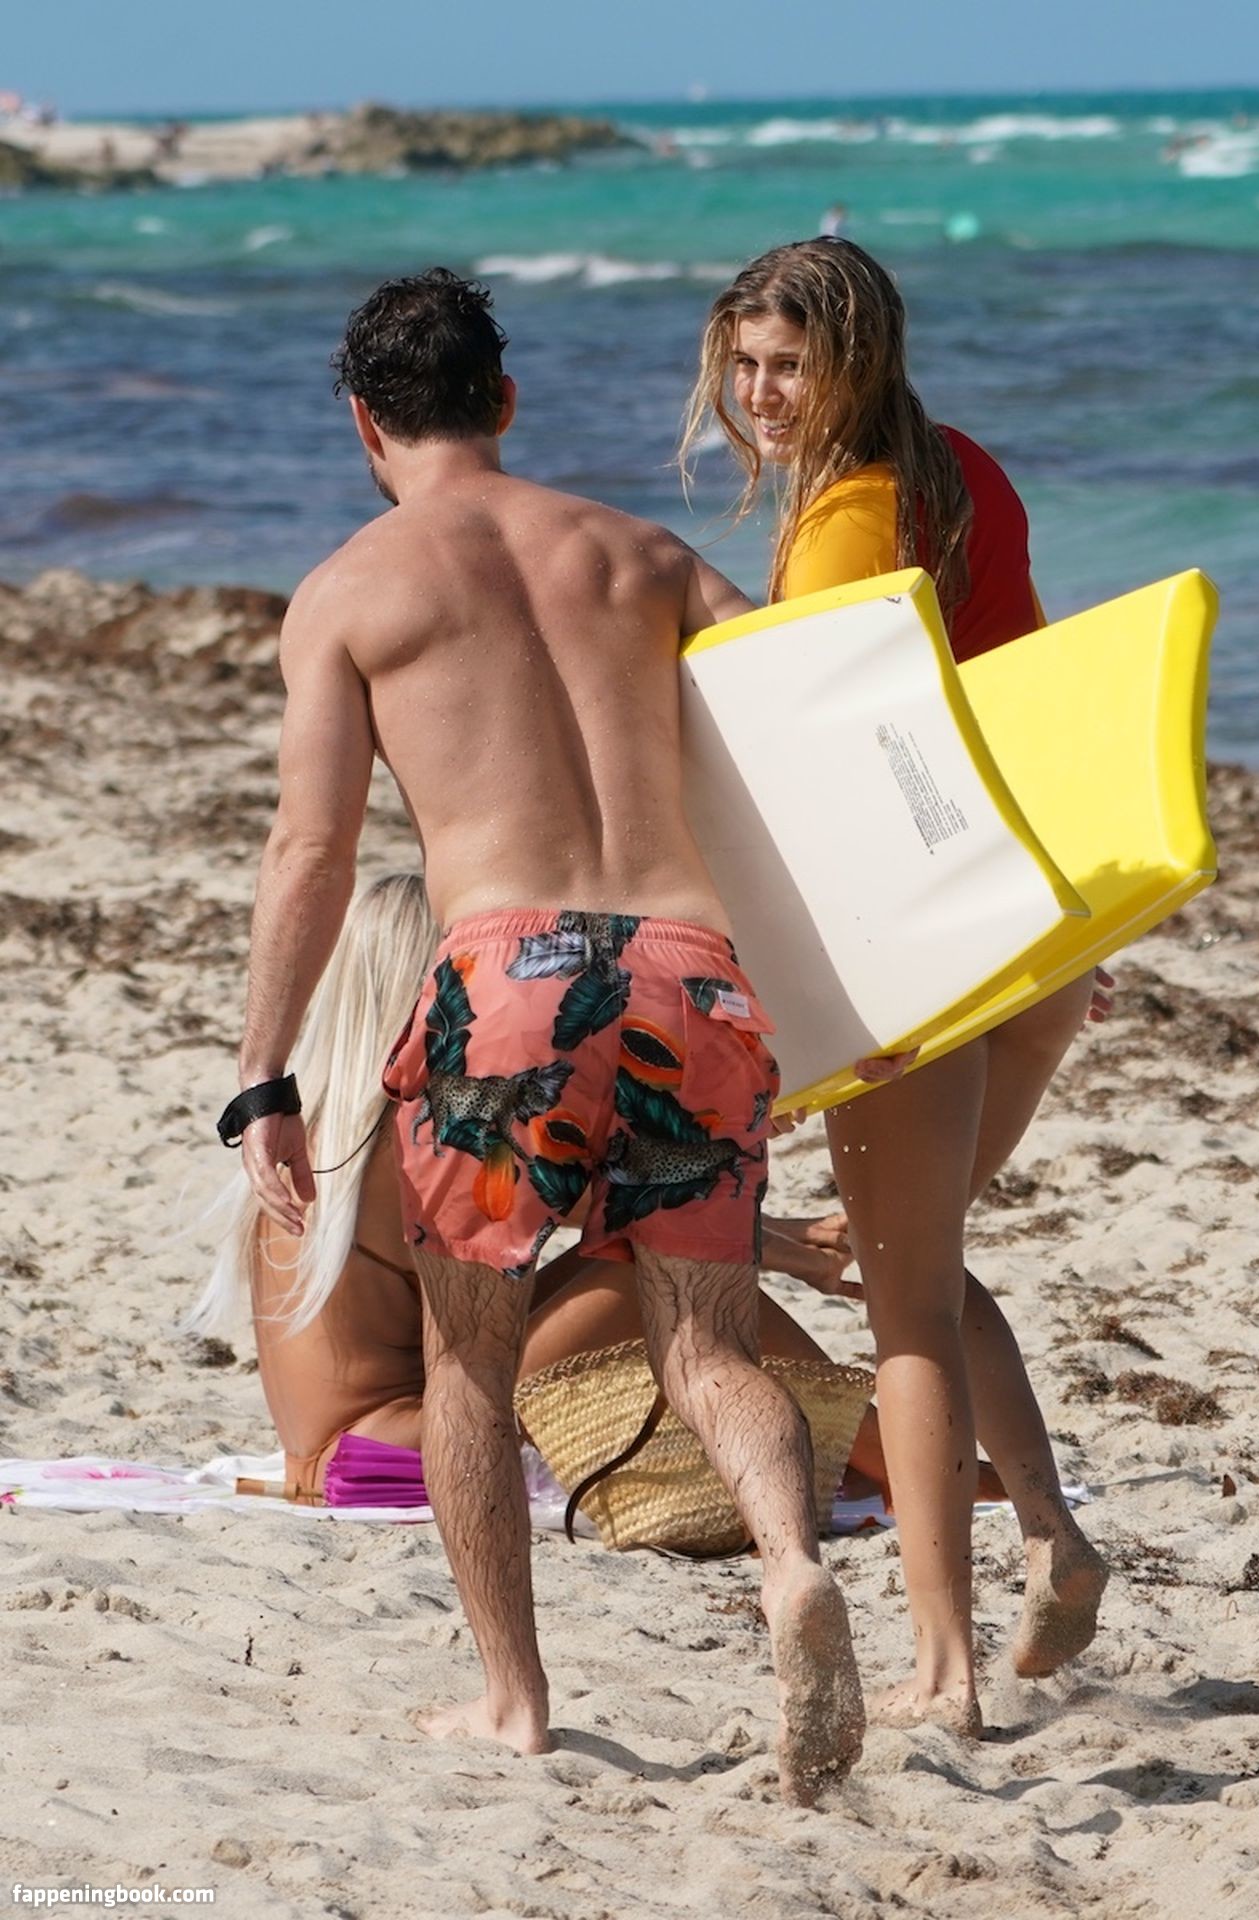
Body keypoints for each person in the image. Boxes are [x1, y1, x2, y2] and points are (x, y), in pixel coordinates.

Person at [226, 267, 869, 1804]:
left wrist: (264, 1076)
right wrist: (886, 996)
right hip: (689, 971)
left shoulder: (349, 591)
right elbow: (817, 748)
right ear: (506, 404)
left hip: (505, 977)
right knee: (705, 1345)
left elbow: (312, 852)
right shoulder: (646, 556)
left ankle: (514, 1700)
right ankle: (792, 1562)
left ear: (365, 425)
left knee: (470, 1362)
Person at [682, 237, 1109, 1736]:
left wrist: (799, 996)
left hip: (921, 946)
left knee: (904, 1299)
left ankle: (944, 1672)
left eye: (787, 367)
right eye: (742, 366)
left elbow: (837, 793)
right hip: (1028, 920)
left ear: (855, 361)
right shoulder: (964, 472)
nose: (759, 395)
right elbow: (1020, 694)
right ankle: (1050, 1534)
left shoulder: (844, 528)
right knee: (908, 1257)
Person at [196, 872, 897, 1508]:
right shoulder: (411, 1134)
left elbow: (596, 1198)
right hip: (385, 1454)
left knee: (654, 1263)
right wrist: (781, 1242)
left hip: (341, 1450)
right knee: (659, 1277)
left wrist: (779, 1234)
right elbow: (617, 1202)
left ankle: (871, 1452)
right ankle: (896, 1462)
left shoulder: (322, 1137)